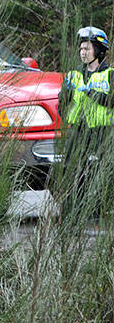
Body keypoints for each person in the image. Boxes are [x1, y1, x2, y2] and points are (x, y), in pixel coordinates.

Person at [57, 25, 114, 220]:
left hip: (103, 132)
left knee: (101, 171)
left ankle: (98, 211)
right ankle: (71, 214)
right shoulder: (73, 76)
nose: (83, 52)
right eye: (81, 49)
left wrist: (95, 95)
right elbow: (62, 104)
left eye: (87, 48)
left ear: (98, 51)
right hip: (77, 131)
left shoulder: (110, 75)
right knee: (72, 170)